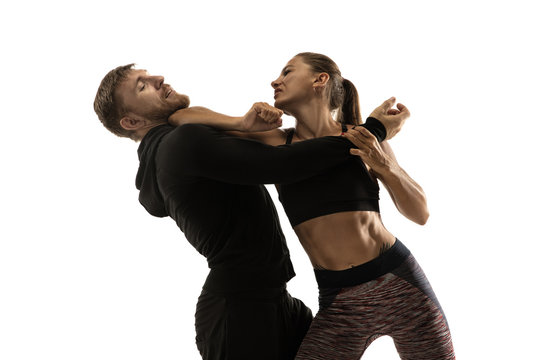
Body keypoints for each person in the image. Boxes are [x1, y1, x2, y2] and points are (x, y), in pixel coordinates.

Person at [93, 63, 407, 360]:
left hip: (267, 301)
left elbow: (187, 123)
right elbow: (283, 164)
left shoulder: (165, 152)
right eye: (143, 86)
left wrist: (239, 124)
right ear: (132, 122)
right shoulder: (180, 144)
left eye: (149, 75)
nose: (158, 78)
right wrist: (374, 130)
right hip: (242, 312)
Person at [170, 52, 455, 359]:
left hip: (401, 285)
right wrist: (242, 122)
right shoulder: (277, 143)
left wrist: (385, 167)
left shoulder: (361, 137)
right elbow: (180, 120)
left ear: (320, 80)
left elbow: (420, 213)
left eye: (287, 72)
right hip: (339, 299)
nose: (275, 81)